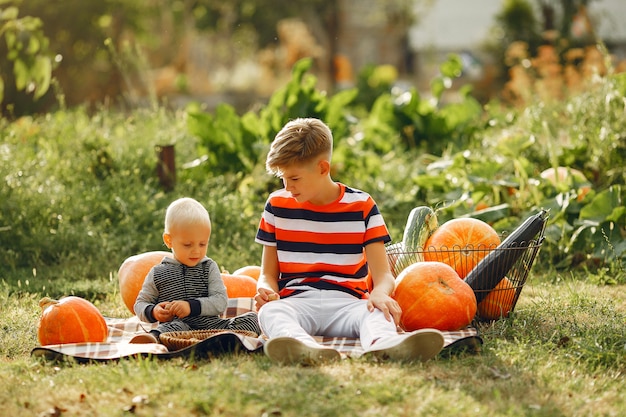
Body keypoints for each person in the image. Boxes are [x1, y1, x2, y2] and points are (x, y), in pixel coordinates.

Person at [254, 118, 444, 365]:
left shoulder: (362, 206)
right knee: (270, 312)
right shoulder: (276, 206)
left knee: (378, 311)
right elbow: (267, 273)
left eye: (295, 178)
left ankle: (385, 346)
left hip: (349, 304)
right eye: (283, 178)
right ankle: (301, 346)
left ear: (323, 168)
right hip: (296, 302)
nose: (287, 187)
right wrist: (267, 289)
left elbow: (384, 275)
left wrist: (380, 293)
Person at [131, 197, 261, 344]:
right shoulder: (158, 273)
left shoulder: (209, 267)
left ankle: (225, 339)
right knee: (167, 329)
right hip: (177, 329)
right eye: (187, 245)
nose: (196, 252)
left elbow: (220, 302)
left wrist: (191, 306)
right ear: (169, 240)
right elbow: (140, 304)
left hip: (212, 328)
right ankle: (152, 339)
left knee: (253, 319)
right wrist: (153, 311)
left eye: (202, 244)